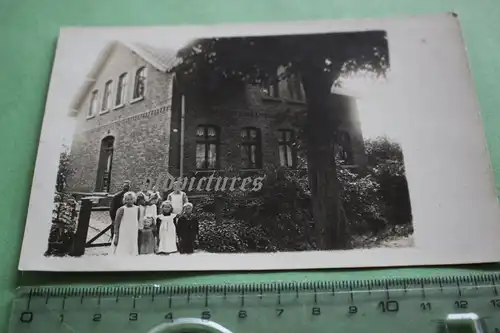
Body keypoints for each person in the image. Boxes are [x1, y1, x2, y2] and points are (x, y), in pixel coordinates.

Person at [109, 191, 140, 256]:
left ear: (134, 199)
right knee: (122, 245)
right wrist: (116, 233)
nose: (129, 201)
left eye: (131, 199)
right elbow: (117, 223)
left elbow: (137, 219)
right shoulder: (122, 209)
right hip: (123, 230)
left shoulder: (137, 208)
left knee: (131, 245)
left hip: (132, 230)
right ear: (125, 200)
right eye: (127, 199)